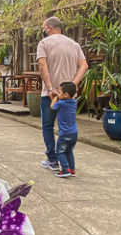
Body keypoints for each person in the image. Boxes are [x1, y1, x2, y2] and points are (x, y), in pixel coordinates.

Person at [36, 16, 87, 171]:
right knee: (67, 127)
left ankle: (53, 160)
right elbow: (84, 66)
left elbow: (42, 65)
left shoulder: (44, 43)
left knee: (48, 126)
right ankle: (67, 161)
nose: (43, 31)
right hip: (69, 96)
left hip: (50, 95)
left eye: (44, 28)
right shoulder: (74, 44)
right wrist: (72, 85)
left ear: (49, 28)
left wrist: (51, 87)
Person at [51, 81, 78, 177]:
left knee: (59, 152)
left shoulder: (61, 103)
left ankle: (65, 170)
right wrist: (59, 95)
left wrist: (55, 97)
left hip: (64, 134)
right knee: (69, 151)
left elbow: (52, 106)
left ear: (66, 95)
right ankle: (72, 169)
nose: (58, 93)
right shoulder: (74, 102)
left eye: (60, 92)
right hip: (74, 133)